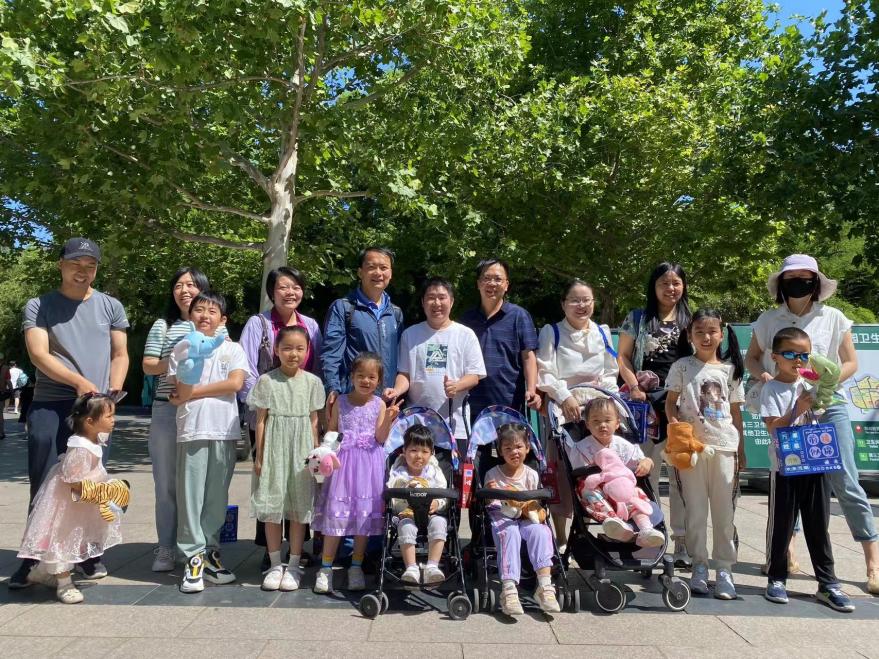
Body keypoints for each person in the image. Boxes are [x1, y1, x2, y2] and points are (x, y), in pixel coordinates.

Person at [745, 254, 879, 595]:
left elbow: (850, 362)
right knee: (791, 478)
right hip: (787, 407)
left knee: (845, 479)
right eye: (792, 278)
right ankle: (786, 556)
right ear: (781, 283)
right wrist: (765, 377)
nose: (799, 283)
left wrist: (825, 385)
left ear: (817, 283)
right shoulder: (768, 319)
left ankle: (873, 563)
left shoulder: (833, 317)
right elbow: (752, 357)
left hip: (829, 407)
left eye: (806, 278)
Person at [11, 237, 129, 589]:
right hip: (51, 403)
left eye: (90, 265)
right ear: (60, 264)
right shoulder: (39, 305)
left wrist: (111, 396)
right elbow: (38, 354)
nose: (82, 271)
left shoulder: (111, 306)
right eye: (75, 263)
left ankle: (87, 554)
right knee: (46, 484)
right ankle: (34, 558)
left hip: (94, 409)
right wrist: (78, 382)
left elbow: (120, 354)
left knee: (90, 483)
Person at [760, 327, 855, 612]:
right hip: (785, 468)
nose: (798, 360)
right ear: (775, 357)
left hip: (816, 462)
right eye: (790, 354)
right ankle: (777, 578)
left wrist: (821, 398)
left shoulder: (811, 382)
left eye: (804, 355)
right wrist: (798, 409)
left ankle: (828, 583)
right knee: (782, 525)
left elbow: (822, 411)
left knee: (818, 526)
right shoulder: (771, 388)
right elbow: (773, 427)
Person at [239, 266, 323, 571]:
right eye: (283, 287)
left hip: (302, 411)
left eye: (296, 287)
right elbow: (247, 365)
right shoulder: (258, 323)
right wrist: (263, 397)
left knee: (299, 484)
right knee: (271, 482)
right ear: (272, 292)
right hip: (267, 413)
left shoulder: (310, 325)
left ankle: (297, 552)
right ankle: (270, 552)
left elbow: (317, 364)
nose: (290, 292)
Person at [167, 292, 248, 594]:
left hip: (224, 431)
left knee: (216, 497)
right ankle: (192, 558)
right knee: (191, 497)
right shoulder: (182, 348)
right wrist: (188, 392)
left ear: (222, 319)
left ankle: (210, 553)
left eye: (212, 311)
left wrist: (192, 393)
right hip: (193, 429)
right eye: (199, 310)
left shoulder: (233, 349)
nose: (205, 316)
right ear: (190, 316)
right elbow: (180, 389)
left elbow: (235, 384)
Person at [665, 309, 746, 599]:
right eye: (699, 332)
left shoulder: (730, 371)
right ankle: (699, 565)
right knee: (695, 511)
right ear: (690, 336)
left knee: (724, 513)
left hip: (724, 447)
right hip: (692, 451)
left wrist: (741, 449)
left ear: (721, 334)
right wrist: (676, 430)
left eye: (712, 331)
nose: (706, 337)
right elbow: (671, 403)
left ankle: (724, 569)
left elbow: (736, 412)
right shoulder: (682, 366)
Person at [142, 266, 218, 572]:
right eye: (178, 285)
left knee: (201, 485)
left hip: (202, 410)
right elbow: (148, 366)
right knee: (166, 483)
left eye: (191, 284)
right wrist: (178, 360)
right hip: (167, 410)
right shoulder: (163, 325)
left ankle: (200, 549)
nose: (184, 290)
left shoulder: (217, 325)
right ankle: (165, 547)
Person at [17, 393, 125, 604]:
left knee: (76, 538)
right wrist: (99, 493)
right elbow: (73, 481)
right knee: (62, 539)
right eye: (109, 416)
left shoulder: (93, 440)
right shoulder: (80, 448)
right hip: (69, 502)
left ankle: (41, 571)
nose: (113, 420)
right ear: (90, 421)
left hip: (82, 501)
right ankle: (64, 583)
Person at [617, 262, 692, 567]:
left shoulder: (691, 320)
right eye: (664, 283)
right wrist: (634, 386)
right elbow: (623, 356)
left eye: (676, 283)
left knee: (680, 476)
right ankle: (652, 536)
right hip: (643, 405)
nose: (670, 288)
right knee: (645, 473)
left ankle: (683, 542)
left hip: (681, 406)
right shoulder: (638, 318)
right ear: (654, 286)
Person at [536, 279, 618, 548]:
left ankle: (609, 526)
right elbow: (546, 372)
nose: (581, 305)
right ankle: (561, 538)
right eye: (575, 300)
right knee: (561, 470)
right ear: (563, 304)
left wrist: (606, 400)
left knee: (603, 465)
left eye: (586, 300)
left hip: (598, 407)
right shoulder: (552, 332)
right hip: (564, 407)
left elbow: (610, 372)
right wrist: (565, 396)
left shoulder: (602, 332)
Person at [312, 352, 399, 593]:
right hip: (343, 466)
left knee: (363, 517)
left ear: (379, 381)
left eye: (372, 377)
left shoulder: (380, 404)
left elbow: (380, 438)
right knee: (336, 515)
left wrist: (388, 419)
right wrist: (324, 454)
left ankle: (356, 567)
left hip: (369, 466)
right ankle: (325, 569)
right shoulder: (340, 401)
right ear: (351, 376)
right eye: (360, 375)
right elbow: (332, 432)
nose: (366, 381)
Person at [248, 326, 325, 591]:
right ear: (276, 350)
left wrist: (316, 454)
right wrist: (259, 456)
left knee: (298, 508)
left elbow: (314, 422)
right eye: (287, 348)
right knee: (272, 507)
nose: (294, 354)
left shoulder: (313, 382)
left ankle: (293, 564)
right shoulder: (266, 381)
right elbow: (260, 421)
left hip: (301, 450)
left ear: (308, 351)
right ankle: (274, 564)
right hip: (274, 448)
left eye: (300, 348)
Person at [385, 277, 486, 452]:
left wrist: (457, 386)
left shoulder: (465, 334)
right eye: (431, 298)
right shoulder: (410, 334)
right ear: (423, 302)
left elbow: (475, 375)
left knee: (451, 470)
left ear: (451, 301)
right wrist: (397, 390)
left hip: (454, 424)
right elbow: (405, 374)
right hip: (417, 424)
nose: (437, 303)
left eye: (442, 297)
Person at [484, 423, 561, 615]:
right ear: (500, 451)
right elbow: (488, 502)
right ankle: (509, 588)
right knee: (510, 532)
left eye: (518, 447)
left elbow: (534, 504)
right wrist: (490, 493)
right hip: (503, 516)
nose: (514, 452)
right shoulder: (492, 474)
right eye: (508, 448)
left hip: (526, 516)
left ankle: (544, 586)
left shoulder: (531, 474)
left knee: (541, 531)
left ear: (527, 448)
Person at [566, 397, 662, 547]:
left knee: (634, 493)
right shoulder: (581, 448)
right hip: (597, 490)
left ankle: (646, 529)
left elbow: (641, 459)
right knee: (587, 490)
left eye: (607, 420)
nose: (602, 425)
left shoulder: (623, 445)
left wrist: (647, 462)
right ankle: (614, 523)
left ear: (617, 423)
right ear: (588, 425)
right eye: (596, 421)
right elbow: (580, 474)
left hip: (621, 488)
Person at [459, 258, 540, 418]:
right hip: (471, 404)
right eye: (487, 278)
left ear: (506, 285)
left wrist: (532, 389)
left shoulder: (519, 316)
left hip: (509, 404)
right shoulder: (467, 319)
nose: (492, 284)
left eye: (498, 279)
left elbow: (528, 356)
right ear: (478, 284)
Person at [322, 247, 403, 406]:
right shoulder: (344, 308)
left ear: (391, 273)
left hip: (386, 401)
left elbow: (401, 359)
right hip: (352, 400)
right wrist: (332, 388)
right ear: (360, 272)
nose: (378, 273)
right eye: (371, 267)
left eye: (384, 268)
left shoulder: (395, 313)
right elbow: (331, 353)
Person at [386, 423, 449, 585]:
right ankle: (411, 567)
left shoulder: (434, 472)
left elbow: (444, 493)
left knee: (440, 522)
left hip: (431, 514)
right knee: (405, 526)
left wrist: (438, 502)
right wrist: (404, 487)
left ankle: (432, 566)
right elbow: (392, 496)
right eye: (413, 450)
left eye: (424, 452)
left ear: (432, 453)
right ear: (404, 451)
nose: (419, 456)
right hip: (406, 514)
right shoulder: (399, 472)